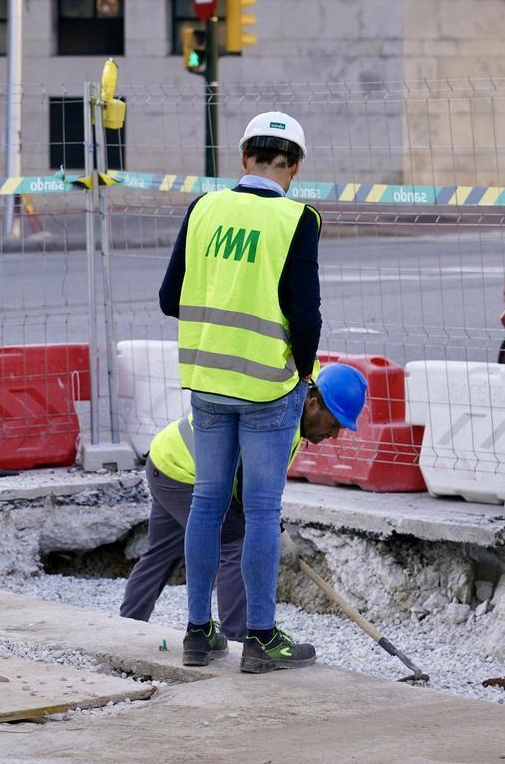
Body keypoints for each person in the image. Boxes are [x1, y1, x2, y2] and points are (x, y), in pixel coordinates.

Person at [158, 111, 323, 674]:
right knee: (261, 512)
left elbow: (170, 297)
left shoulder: (203, 208)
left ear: (243, 157)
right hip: (267, 388)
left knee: (206, 503)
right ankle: (261, 637)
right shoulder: (297, 219)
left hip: (207, 380)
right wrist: (304, 372)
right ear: (294, 167)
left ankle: (197, 634)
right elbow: (305, 314)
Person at [118, 363, 367, 650]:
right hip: (185, 474)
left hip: (166, 459)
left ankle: (126, 629)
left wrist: (275, 530)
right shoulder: (280, 421)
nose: (334, 435)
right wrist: (274, 533)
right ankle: (239, 641)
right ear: (312, 405)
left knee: (162, 552)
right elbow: (249, 493)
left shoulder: (289, 404)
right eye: (333, 424)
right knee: (237, 542)